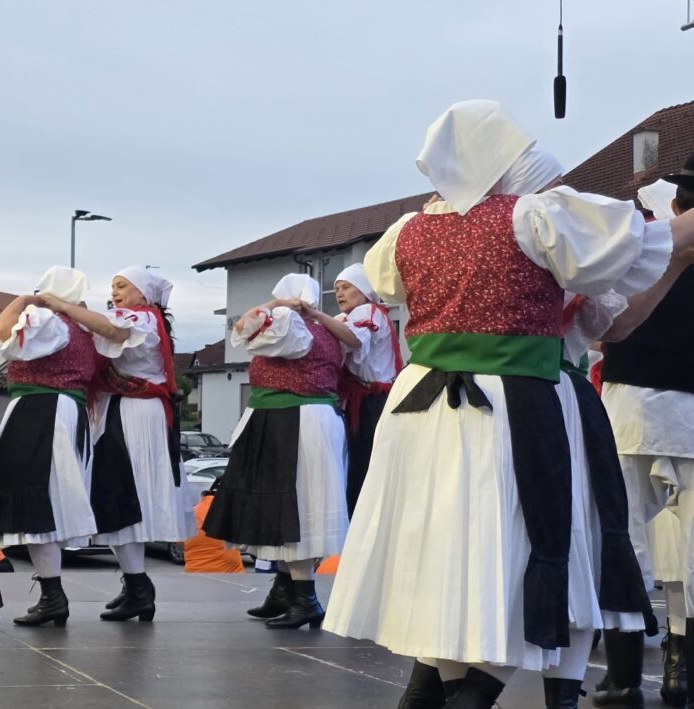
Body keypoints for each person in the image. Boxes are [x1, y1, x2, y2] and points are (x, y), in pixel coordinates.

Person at [323, 100, 693, 708]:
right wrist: (676, 234)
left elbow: (385, 283)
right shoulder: (534, 219)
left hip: (422, 409)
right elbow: (628, 251)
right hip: (512, 401)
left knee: (447, 550)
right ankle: (487, 691)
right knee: (524, 542)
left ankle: (449, 689)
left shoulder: (406, 232)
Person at [594, 157, 694, 709]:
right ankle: (681, 670)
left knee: (626, 537)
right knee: (689, 543)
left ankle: (625, 673)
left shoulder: (641, 250)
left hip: (632, 403)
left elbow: (603, 320)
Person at [44, 266, 192, 622]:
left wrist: (60, 304)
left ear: (144, 295)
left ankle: (139, 587)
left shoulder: (140, 319)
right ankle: (136, 584)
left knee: (125, 495)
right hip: (124, 411)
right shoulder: (146, 320)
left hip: (135, 414)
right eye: (113, 287)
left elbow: (109, 329)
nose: (115, 293)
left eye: (123, 286)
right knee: (121, 498)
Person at [202, 273, 348, 629]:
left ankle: (305, 597)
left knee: (292, 506)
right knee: (293, 505)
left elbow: (245, 327)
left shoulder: (288, 324)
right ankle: (287, 590)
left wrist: (278, 306)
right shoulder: (328, 330)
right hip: (305, 416)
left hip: (291, 418)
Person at [0, 266, 102, 628]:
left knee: (37, 500)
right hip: (67, 411)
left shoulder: (48, 320)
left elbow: (3, 330)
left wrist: (24, 299)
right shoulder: (84, 330)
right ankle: (53, 594)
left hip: (41, 411)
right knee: (46, 502)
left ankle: (53, 596)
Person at [332, 264, 400, 516]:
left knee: (363, 465)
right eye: (336, 288)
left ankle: (359, 519)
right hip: (364, 400)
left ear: (363, 290)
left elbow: (354, 339)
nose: (339, 293)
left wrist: (317, 318)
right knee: (360, 464)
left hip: (372, 401)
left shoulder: (367, 311)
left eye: (346, 287)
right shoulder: (351, 316)